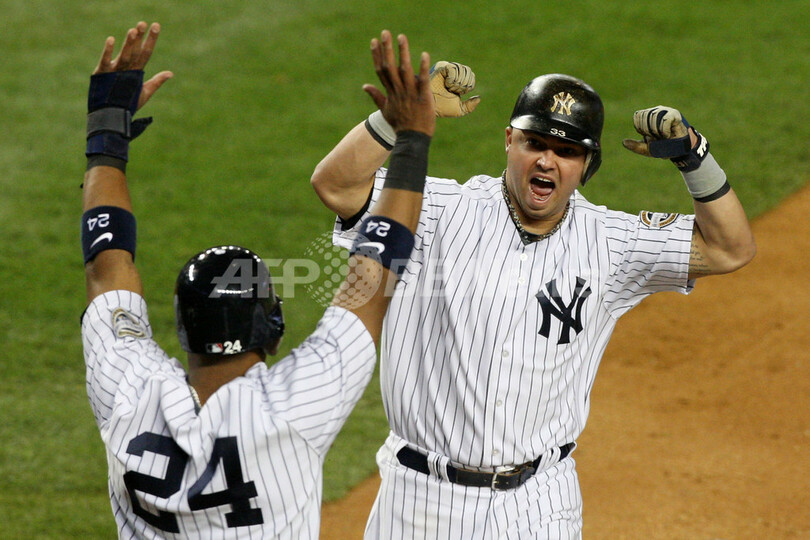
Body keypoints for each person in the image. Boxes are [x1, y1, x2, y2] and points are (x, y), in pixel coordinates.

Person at [311, 33, 756, 538]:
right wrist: (398, 119)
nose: (547, 161)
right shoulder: (435, 211)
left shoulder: (613, 243)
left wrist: (695, 159)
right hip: (419, 502)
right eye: (535, 143)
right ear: (509, 140)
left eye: (566, 151)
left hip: (540, 503)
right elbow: (335, 184)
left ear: (587, 164)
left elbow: (729, 249)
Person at [80, 22, 435, 538]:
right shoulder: (294, 406)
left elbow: (105, 263)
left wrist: (105, 136)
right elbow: (374, 271)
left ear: (183, 324)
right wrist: (414, 137)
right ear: (269, 326)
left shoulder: (127, 388)